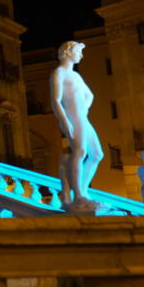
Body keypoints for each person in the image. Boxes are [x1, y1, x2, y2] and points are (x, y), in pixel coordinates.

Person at [50, 41, 104, 207]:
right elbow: (56, 101)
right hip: (73, 118)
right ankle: (79, 196)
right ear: (68, 52)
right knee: (80, 151)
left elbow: (90, 95)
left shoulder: (76, 76)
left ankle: (82, 190)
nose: (81, 55)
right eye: (79, 51)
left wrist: (84, 109)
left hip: (82, 117)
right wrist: (65, 122)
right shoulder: (58, 73)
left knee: (96, 155)